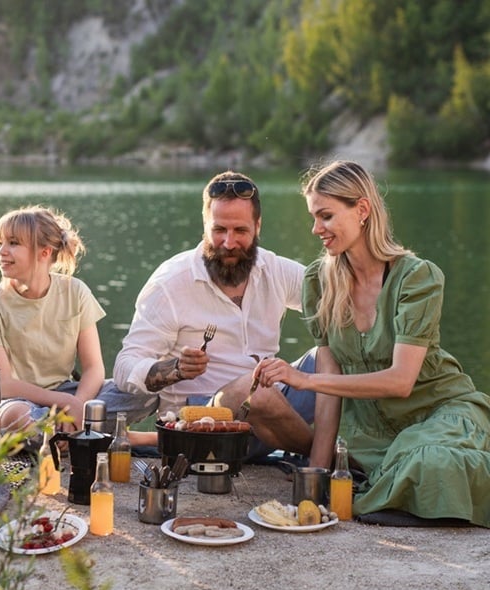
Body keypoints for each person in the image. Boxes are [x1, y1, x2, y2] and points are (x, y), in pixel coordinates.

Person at [254, 160, 490, 526]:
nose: (316, 228)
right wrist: (315, 475)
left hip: (440, 414)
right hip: (372, 435)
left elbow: (400, 381)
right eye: (314, 217)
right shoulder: (320, 281)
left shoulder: (416, 278)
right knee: (381, 467)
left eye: (326, 216)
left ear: (362, 210)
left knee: (428, 460)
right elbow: (330, 391)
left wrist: (304, 378)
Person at [113, 171, 324, 459]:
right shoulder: (171, 283)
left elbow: (336, 301)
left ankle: (342, 446)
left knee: (328, 357)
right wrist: (175, 369)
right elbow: (124, 367)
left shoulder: (274, 269)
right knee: (257, 390)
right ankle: (330, 458)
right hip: (203, 425)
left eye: (240, 231)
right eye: (219, 230)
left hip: (270, 410)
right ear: (205, 225)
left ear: (258, 226)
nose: (228, 242)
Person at [0, 205, 157, 437]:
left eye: (13, 243)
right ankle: (100, 435)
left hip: (70, 393)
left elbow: (94, 368)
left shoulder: (75, 291)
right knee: (18, 417)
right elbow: (3, 384)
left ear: (44, 253)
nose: (1, 252)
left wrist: (79, 405)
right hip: (20, 401)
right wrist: (62, 402)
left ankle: (62, 435)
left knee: (144, 391)